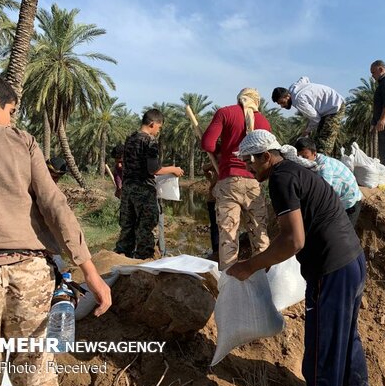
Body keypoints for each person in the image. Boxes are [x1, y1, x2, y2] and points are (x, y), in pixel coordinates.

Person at [0, 70, 111, 386]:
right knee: (34, 371)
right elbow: (55, 205)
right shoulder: (21, 141)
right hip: (29, 273)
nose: (10, 121)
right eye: (10, 113)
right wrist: (90, 272)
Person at [228, 130, 370, 386]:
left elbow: (294, 241)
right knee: (347, 339)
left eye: (250, 160)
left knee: (323, 350)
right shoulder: (295, 170)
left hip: (331, 270)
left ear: (266, 156)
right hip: (353, 262)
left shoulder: (281, 179)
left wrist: (250, 266)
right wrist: (267, 258)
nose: (247, 166)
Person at [201, 88, 271, 270]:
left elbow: (207, 144)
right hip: (254, 182)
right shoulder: (263, 121)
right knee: (259, 232)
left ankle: (229, 283)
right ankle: (265, 277)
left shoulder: (225, 112)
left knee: (228, 235)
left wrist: (224, 150)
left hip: (229, 182)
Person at [114, 109, 184, 259]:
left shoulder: (130, 138)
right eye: (159, 127)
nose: (158, 131)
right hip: (143, 190)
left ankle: (122, 257)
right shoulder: (149, 141)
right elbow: (153, 169)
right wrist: (173, 169)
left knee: (128, 225)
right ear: (153, 124)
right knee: (146, 226)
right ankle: (143, 259)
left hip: (127, 189)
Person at [295, 137, 363, 227]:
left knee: (346, 235)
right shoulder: (314, 164)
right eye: (299, 157)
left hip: (350, 203)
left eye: (305, 157)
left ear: (314, 154)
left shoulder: (324, 167)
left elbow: (324, 193)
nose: (302, 160)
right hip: (341, 201)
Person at [272, 77, 345, 155]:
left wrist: (306, 131)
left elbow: (316, 118)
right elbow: (304, 78)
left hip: (335, 107)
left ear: (288, 96)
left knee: (324, 143)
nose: (282, 106)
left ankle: (323, 164)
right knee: (318, 137)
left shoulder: (298, 101)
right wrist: (311, 91)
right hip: (328, 106)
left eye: (282, 102)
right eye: (279, 104)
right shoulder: (294, 87)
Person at [202, 160, 220, 259]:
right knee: (214, 226)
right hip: (213, 198)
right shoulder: (215, 163)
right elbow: (205, 168)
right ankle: (216, 251)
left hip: (225, 198)